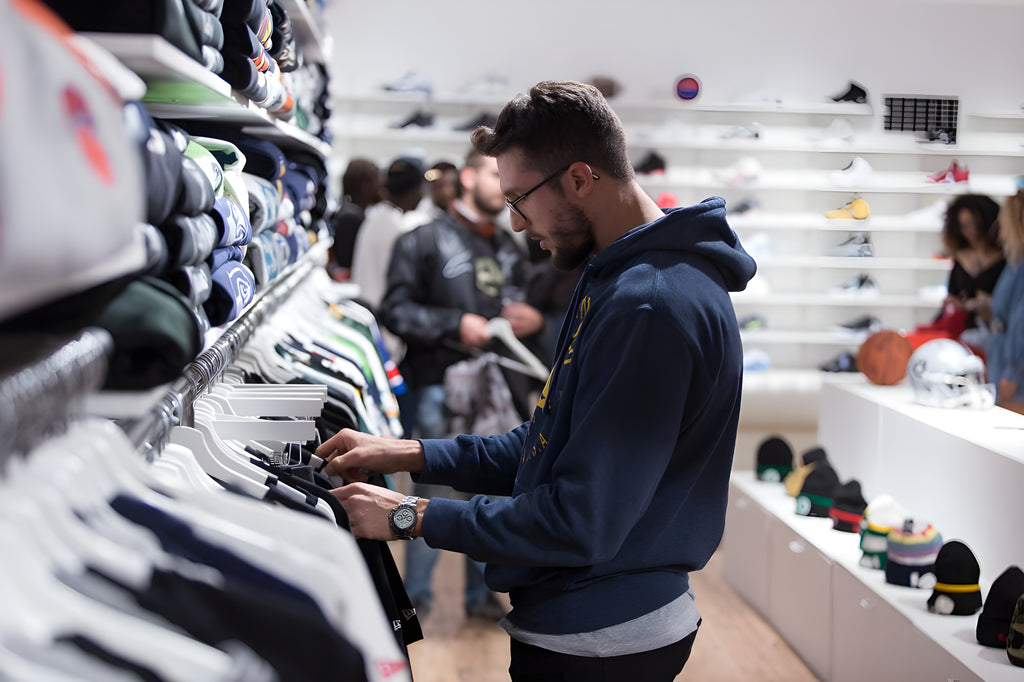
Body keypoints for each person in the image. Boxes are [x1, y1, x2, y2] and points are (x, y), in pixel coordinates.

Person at [317, 80, 756, 681]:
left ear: (579, 179)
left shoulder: (649, 304)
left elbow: (581, 519)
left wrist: (409, 515)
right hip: (592, 617)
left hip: (602, 638)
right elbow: (551, 440)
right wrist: (410, 453)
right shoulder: (619, 278)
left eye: (521, 199)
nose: (518, 224)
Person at [375, 149, 545, 623]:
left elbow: (525, 302)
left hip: (502, 390)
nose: (505, 183)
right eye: (495, 174)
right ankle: (416, 598)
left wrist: (535, 319)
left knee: (494, 493)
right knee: (435, 490)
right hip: (438, 386)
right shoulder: (423, 240)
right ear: (467, 177)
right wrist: (456, 324)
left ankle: (481, 596)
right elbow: (395, 310)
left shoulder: (511, 246)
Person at [964, 189, 1024, 414]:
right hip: (1004, 358)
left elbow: (1021, 322)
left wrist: (1012, 374)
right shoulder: (1015, 261)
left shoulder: (1020, 264)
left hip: (1014, 370)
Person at [349, 156, 432, 312]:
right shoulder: (395, 227)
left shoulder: (379, 216)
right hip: (380, 314)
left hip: (370, 307)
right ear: (416, 189)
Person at [926, 194, 1006, 350]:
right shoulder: (960, 258)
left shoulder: (1007, 259)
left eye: (974, 224)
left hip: (998, 333)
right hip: (965, 334)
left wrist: (982, 304)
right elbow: (953, 293)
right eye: (964, 226)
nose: (971, 231)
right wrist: (955, 303)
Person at [329, 158, 382, 279]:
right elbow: (347, 263)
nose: (380, 185)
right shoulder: (351, 217)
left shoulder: (351, 212)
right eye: (376, 179)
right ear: (364, 184)